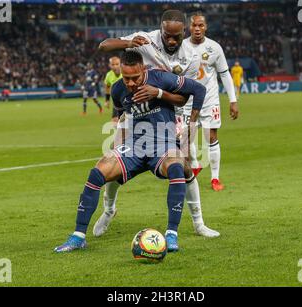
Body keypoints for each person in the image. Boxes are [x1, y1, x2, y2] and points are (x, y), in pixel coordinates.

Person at [54, 50, 206, 253]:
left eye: (135, 78)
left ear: (143, 69)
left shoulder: (160, 78)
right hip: (134, 146)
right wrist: (117, 143)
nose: (131, 83)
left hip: (163, 143)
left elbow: (198, 89)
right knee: (98, 171)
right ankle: (78, 236)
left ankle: (171, 234)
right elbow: (120, 113)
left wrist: (190, 123)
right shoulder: (118, 89)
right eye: (127, 78)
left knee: (177, 167)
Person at [97, 9, 220, 238]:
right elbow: (104, 46)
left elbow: (183, 96)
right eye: (167, 35)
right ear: (160, 29)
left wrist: (160, 94)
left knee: (187, 163)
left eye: (176, 36)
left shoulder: (191, 56)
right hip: (134, 115)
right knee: (113, 159)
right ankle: (108, 210)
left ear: (184, 32)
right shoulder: (145, 41)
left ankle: (198, 223)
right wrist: (128, 42)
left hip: (172, 114)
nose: (171, 40)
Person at [184, 12, 239, 191]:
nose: (198, 29)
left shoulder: (214, 48)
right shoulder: (181, 46)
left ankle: (215, 178)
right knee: (185, 137)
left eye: (201, 25)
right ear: (189, 27)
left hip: (209, 99)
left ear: (206, 27)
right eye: (194, 25)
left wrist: (233, 100)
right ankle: (194, 165)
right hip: (187, 100)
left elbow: (224, 74)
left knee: (211, 136)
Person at [104, 56, 123, 125]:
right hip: (117, 101)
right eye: (113, 64)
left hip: (128, 99)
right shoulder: (109, 75)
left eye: (117, 64)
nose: (115, 66)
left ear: (121, 64)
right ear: (109, 65)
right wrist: (107, 100)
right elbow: (107, 87)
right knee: (114, 122)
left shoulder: (126, 72)